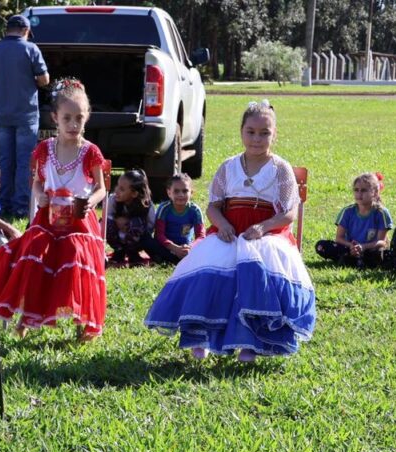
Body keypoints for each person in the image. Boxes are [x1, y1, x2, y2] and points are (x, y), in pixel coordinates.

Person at [144, 100, 315, 362]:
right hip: (230, 230)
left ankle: (251, 343)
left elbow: (289, 212)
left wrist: (263, 227)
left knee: (257, 268)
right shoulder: (228, 166)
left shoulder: (280, 168)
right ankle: (199, 336)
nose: (257, 139)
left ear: (275, 134)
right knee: (208, 266)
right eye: (251, 132)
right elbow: (213, 206)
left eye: (264, 133)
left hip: (266, 233)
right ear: (241, 131)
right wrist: (222, 224)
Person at [0, 79, 108, 340]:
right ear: (54, 118)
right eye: (67, 118)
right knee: (34, 252)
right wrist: (39, 195)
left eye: (79, 118)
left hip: (78, 221)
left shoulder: (91, 152)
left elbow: (101, 188)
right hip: (47, 219)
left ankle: (83, 320)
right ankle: (27, 317)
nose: (73, 125)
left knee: (73, 254)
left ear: (87, 118)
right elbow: (37, 183)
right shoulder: (44, 150)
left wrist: (92, 201)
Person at [0, 14, 50, 219]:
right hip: (26, 115)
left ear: (7, 29)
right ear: (26, 31)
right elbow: (44, 79)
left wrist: (2, 78)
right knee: (25, 161)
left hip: (3, 115)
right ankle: (21, 205)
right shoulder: (31, 49)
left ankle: (4, 201)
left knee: (5, 160)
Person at [315, 172, 392, 268]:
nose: (359, 194)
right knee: (321, 246)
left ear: (375, 192)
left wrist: (363, 247)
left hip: (370, 249)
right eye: (356, 190)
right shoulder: (347, 211)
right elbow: (339, 238)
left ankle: (351, 260)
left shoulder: (381, 213)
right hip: (349, 248)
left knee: (383, 255)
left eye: (364, 190)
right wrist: (351, 246)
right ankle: (353, 259)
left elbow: (382, 242)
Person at [147, 173, 205, 265]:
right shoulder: (164, 208)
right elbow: (159, 235)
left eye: (185, 191)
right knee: (148, 241)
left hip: (186, 248)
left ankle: (174, 259)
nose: (181, 195)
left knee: (206, 248)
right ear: (169, 193)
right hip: (166, 247)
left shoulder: (195, 210)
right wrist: (175, 249)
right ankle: (171, 259)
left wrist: (190, 247)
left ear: (192, 193)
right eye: (176, 191)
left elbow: (201, 236)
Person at [105, 169, 156, 266]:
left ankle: (132, 253)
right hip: (118, 236)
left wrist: (132, 226)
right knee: (105, 223)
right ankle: (119, 250)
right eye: (117, 186)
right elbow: (108, 217)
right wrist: (117, 221)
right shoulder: (112, 199)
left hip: (137, 239)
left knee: (136, 222)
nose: (116, 190)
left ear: (134, 193)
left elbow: (150, 226)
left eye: (122, 189)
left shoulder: (147, 205)